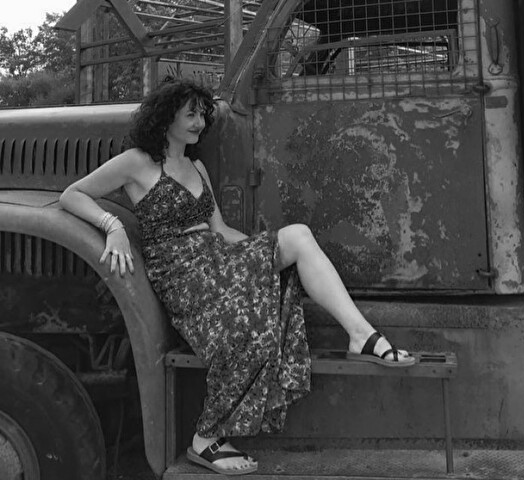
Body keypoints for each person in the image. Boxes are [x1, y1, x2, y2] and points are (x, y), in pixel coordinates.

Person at [59, 79, 416, 476]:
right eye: (190, 114)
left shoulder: (196, 167)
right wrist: (112, 226)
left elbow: (220, 229)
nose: (199, 123)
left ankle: (361, 335)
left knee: (297, 237)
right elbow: (72, 194)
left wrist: (263, 255)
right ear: (166, 118)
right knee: (246, 325)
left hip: (216, 259)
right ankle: (206, 437)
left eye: (202, 115)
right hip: (181, 273)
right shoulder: (137, 162)